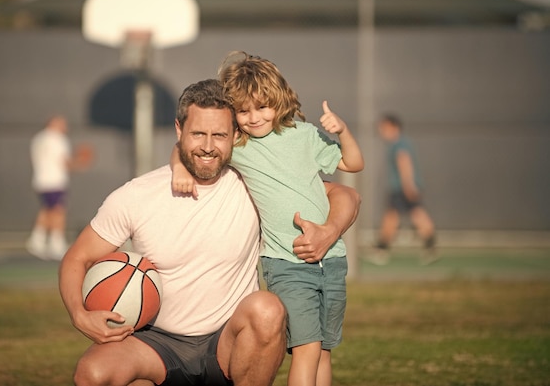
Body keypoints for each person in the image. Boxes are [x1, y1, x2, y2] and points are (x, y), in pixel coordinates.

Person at [59, 79, 361, 386]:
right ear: (179, 130)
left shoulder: (254, 184)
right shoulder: (136, 195)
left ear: (235, 136)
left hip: (227, 343)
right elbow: (77, 258)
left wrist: (329, 230)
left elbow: (345, 195)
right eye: (198, 134)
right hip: (155, 342)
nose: (207, 145)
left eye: (219, 135)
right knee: (93, 374)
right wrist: (78, 314)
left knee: (267, 310)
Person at [171, 53, 364, 386]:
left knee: (324, 351)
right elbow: (186, 145)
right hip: (286, 264)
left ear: (280, 101)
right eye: (243, 111)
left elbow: (353, 163)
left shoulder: (305, 135)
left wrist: (343, 130)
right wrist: (178, 168)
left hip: (332, 261)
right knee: (307, 348)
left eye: (262, 107)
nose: (253, 118)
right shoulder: (238, 145)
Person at [369, 113, 437, 265]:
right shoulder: (399, 143)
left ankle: (381, 250)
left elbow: (404, 162)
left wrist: (408, 185)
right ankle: (430, 247)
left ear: (393, 127)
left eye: (384, 127)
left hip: (402, 188)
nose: (381, 131)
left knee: (394, 217)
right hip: (404, 187)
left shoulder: (399, 144)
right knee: (416, 214)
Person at [27, 115, 93, 260]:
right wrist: (80, 163)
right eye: (62, 123)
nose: (65, 126)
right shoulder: (57, 139)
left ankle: (36, 240)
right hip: (54, 180)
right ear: (54, 123)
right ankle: (56, 244)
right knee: (58, 211)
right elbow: (65, 162)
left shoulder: (39, 138)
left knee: (47, 209)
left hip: (40, 180)